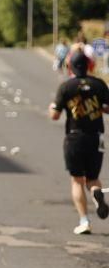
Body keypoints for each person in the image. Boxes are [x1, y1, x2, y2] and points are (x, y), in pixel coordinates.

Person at [49, 52, 109, 235]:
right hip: (96, 137)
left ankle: (84, 221)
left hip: (75, 137)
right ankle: (97, 193)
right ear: (89, 65)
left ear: (70, 67)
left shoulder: (66, 87)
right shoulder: (99, 84)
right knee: (92, 178)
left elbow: (55, 115)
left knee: (77, 180)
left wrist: (51, 108)